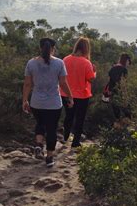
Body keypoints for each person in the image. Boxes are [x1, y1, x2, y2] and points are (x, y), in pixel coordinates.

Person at [22, 38, 73, 167]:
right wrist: (70, 96)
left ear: (40, 48)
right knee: (51, 129)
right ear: (53, 49)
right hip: (54, 103)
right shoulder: (59, 63)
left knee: (40, 123)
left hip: (36, 102)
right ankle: (49, 158)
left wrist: (24, 100)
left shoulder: (31, 63)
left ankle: (39, 144)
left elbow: (28, 84)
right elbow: (62, 83)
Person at [60, 37, 96, 148]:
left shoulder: (65, 59)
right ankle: (75, 142)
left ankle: (66, 136)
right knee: (80, 118)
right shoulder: (86, 62)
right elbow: (90, 79)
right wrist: (95, 72)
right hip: (82, 95)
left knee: (68, 116)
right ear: (86, 49)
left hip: (65, 93)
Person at [106, 53, 131, 126]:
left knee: (116, 112)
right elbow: (124, 84)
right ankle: (125, 128)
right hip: (120, 94)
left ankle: (116, 127)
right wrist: (125, 95)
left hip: (112, 93)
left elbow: (110, 81)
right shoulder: (124, 69)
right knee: (127, 112)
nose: (128, 64)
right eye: (128, 62)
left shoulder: (113, 68)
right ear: (126, 61)